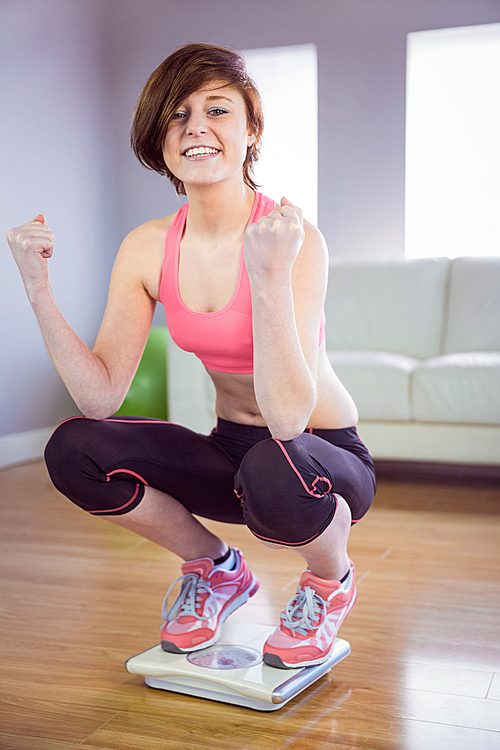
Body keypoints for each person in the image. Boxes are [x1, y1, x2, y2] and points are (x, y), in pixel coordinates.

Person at [6, 43, 376, 669]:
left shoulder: (290, 237)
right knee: (73, 449)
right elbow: (100, 398)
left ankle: (329, 579)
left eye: (218, 110)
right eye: (177, 114)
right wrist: (37, 288)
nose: (196, 127)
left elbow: (288, 421)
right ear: (160, 137)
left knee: (272, 462)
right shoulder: (148, 247)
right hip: (233, 452)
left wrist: (267, 276)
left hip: (321, 459)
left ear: (251, 128)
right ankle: (216, 567)